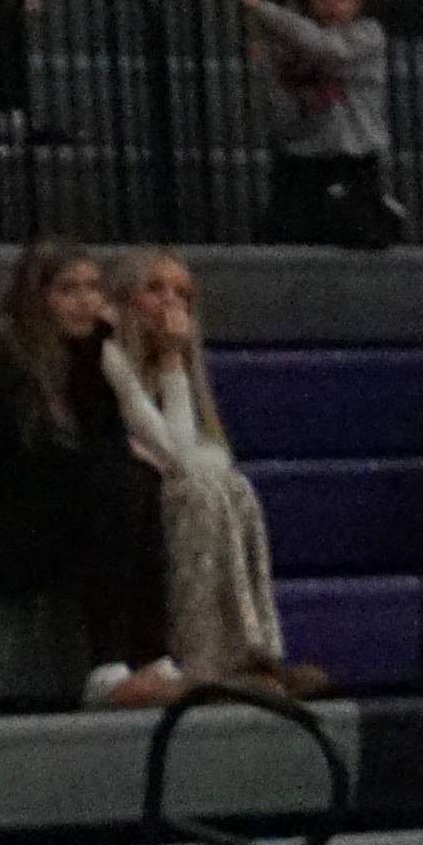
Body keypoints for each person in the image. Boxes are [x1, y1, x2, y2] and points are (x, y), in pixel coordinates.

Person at [0, 244, 182, 710]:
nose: (85, 302)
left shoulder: (82, 355)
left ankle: (154, 659)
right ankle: (106, 670)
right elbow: (8, 465)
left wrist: (100, 355)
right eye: (67, 290)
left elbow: (107, 445)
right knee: (114, 484)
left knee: (136, 479)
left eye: (93, 288)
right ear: (36, 298)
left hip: (16, 514)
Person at [107, 251, 310, 696]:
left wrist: (173, 364)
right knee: (198, 492)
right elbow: (179, 456)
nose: (170, 303)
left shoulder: (178, 370)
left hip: (164, 489)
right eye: (155, 289)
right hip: (123, 505)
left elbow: (202, 451)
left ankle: (254, 652)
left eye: (182, 295)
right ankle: (201, 658)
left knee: (235, 488)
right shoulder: (109, 360)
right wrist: (171, 360)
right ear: (123, 298)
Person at [228, 0, 396, 249]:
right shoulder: (293, 40)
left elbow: (328, 49)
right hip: (300, 157)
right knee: (284, 234)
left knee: (349, 230)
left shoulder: (367, 35)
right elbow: (277, 94)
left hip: (349, 158)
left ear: (360, 0)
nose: (331, 5)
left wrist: (263, 9)